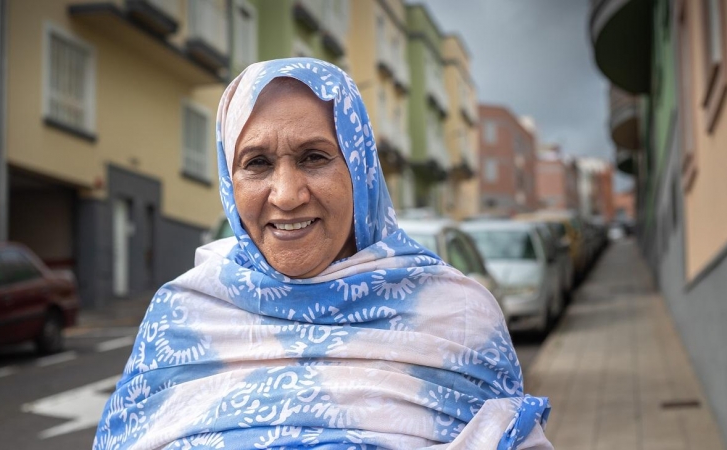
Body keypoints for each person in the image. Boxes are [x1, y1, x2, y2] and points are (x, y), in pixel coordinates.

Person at [93, 58, 551, 450]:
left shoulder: (457, 315)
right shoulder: (182, 317)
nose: (287, 194)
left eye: (314, 157)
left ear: (360, 170)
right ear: (229, 183)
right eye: (257, 163)